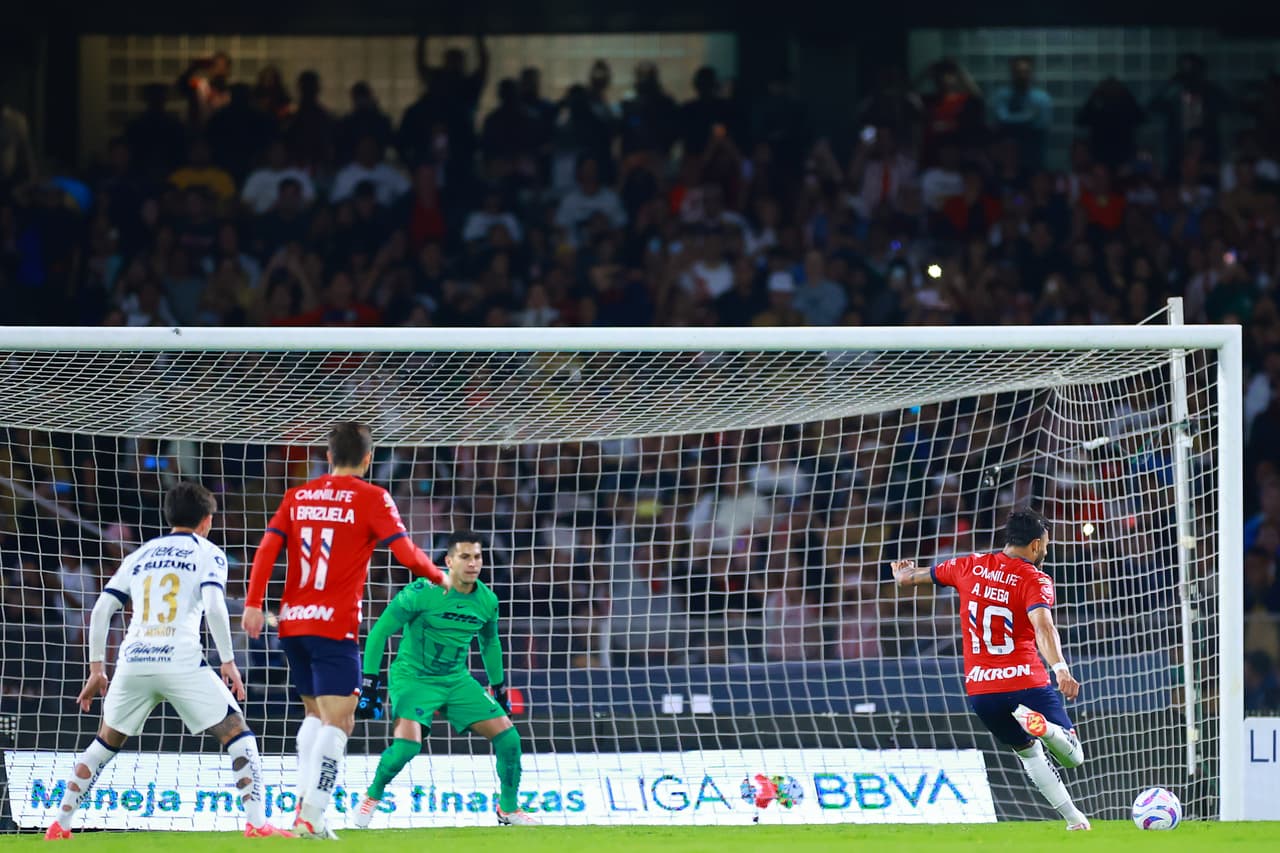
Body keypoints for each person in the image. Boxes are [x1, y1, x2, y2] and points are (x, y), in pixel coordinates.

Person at [45, 482, 291, 840]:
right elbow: (215, 606)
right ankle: (257, 823)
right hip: (180, 658)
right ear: (207, 520)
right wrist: (227, 661)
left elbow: (101, 610)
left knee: (104, 743)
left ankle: (60, 824)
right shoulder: (209, 553)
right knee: (238, 735)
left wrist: (97, 669)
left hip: (133, 660)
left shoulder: (140, 555)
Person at [242, 422, 449, 839]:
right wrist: (438, 576)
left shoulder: (297, 496)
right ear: (368, 459)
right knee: (340, 721)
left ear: (328, 456)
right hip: (334, 625)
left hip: (292, 623)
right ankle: (312, 815)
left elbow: (266, 549)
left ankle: (304, 808)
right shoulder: (372, 497)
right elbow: (406, 553)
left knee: (315, 715)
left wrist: (252, 603)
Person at [889, 508, 1090, 831]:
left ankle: (1075, 821)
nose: (1046, 551)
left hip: (982, 690)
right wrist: (1061, 668)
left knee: (1029, 755)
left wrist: (902, 575)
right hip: (1027, 682)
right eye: (1046, 545)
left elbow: (912, 577)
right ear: (1036, 545)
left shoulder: (968, 565)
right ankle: (1046, 729)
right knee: (1073, 756)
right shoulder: (1034, 578)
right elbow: (1044, 626)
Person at [351, 532, 538, 827]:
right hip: (413, 678)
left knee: (509, 739)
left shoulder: (487, 600)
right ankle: (372, 795)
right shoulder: (422, 590)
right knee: (407, 748)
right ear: (449, 561)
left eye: (477, 557)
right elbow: (379, 632)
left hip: (455, 679)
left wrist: (499, 687)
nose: (472, 563)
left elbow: (490, 644)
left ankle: (508, 809)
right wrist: (370, 682)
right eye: (465, 557)